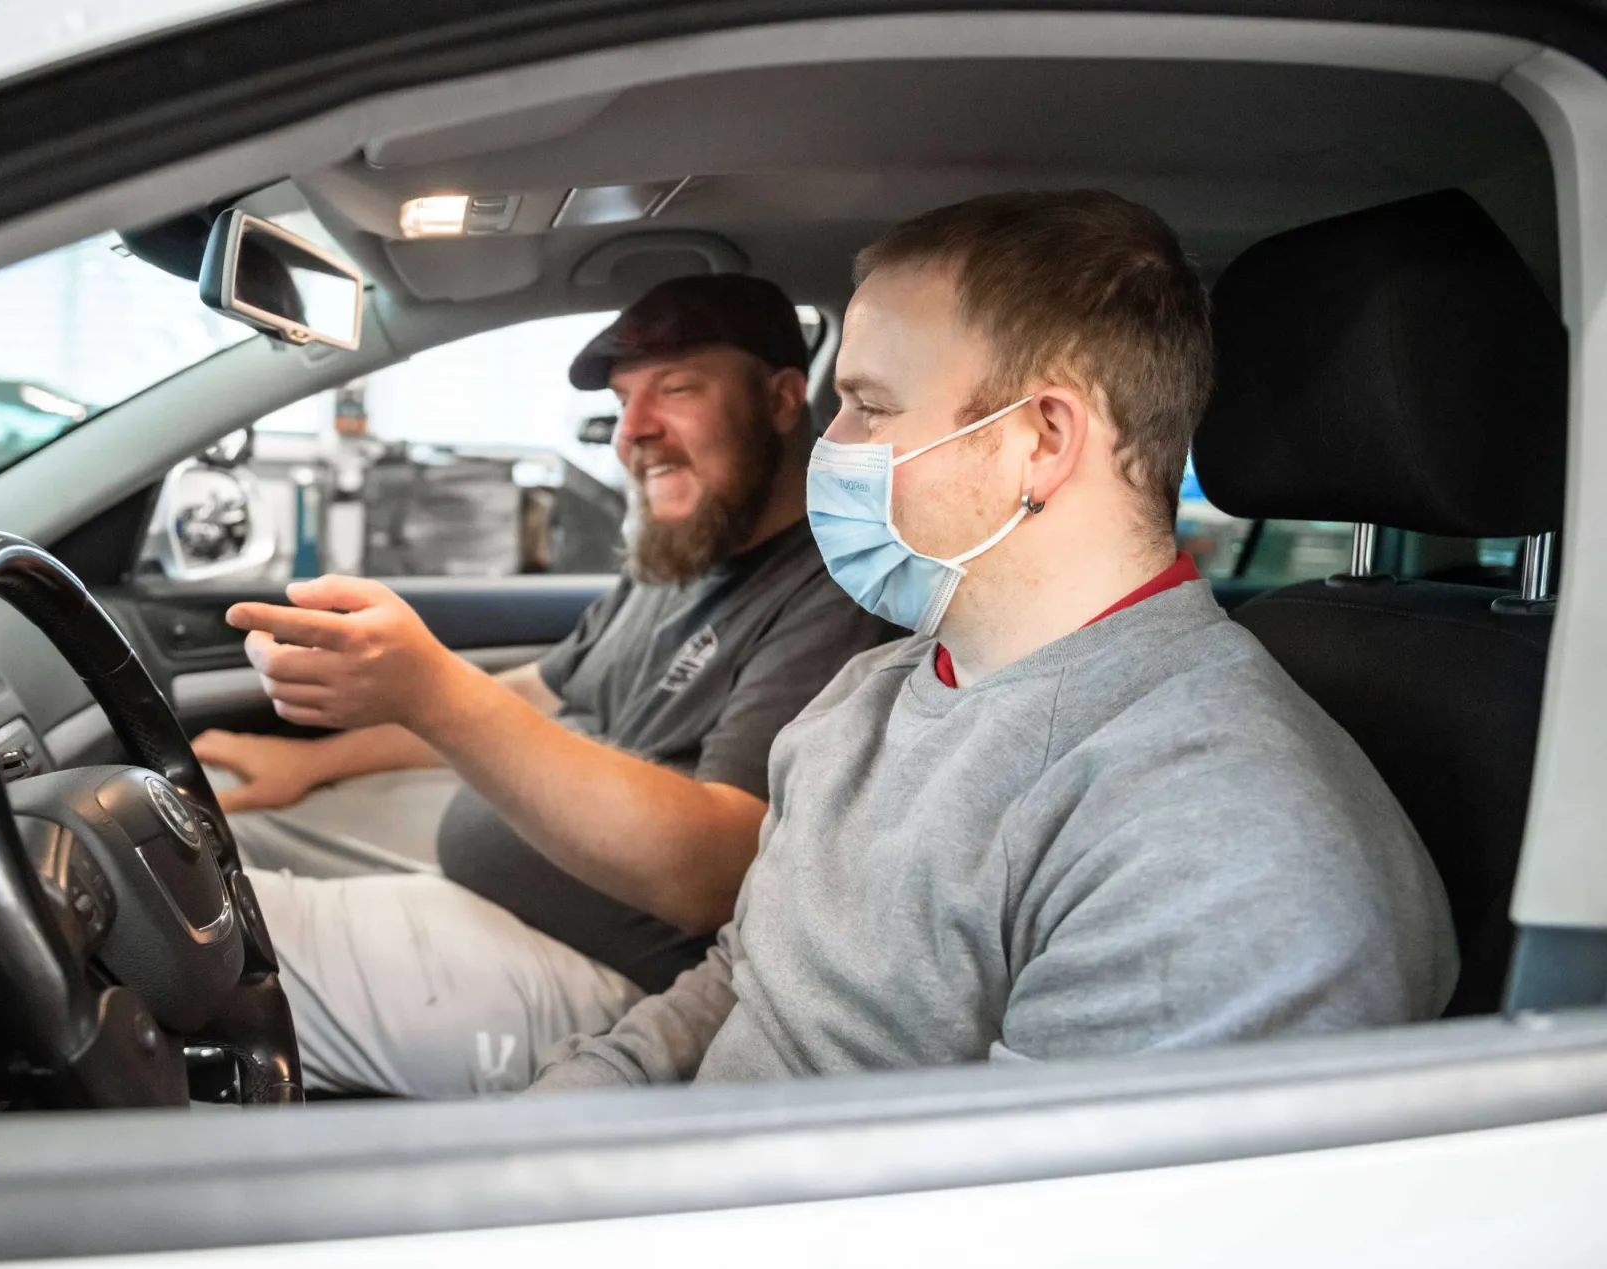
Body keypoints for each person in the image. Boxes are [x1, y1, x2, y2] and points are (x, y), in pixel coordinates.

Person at [531, 191, 1458, 1091]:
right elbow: (749, 971)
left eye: (870, 406)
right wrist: (577, 1105)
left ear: (1041, 439)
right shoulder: (872, 688)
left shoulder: (1223, 844)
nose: (827, 439)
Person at [193, 274, 897, 1096]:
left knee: (179, 943)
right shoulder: (685, 550)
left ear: (782, 399)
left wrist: (433, 692)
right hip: (491, 893)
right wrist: (317, 763)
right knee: (204, 842)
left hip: (615, 977)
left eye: (676, 389)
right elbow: (535, 692)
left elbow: (717, 869)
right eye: (626, 399)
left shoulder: (832, 593)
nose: (634, 430)